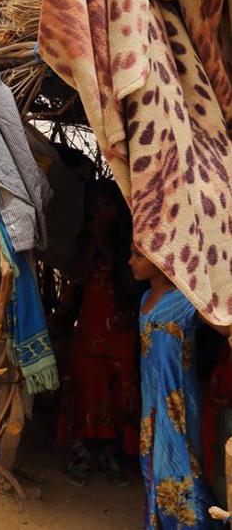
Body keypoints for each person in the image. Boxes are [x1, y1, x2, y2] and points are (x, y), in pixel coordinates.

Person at [129, 245, 230, 529]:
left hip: (178, 400)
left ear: (162, 262)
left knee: (179, 469)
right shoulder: (146, 298)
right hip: (151, 400)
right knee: (151, 466)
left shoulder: (187, 300)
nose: (130, 262)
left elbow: (224, 328)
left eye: (138, 256)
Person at [57, 180, 142, 487]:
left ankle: (113, 455)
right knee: (87, 386)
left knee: (117, 388)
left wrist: (105, 243)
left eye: (106, 206)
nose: (100, 212)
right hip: (90, 328)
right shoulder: (84, 240)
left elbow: (130, 283)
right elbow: (78, 278)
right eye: (95, 207)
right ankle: (83, 453)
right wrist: (92, 242)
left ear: (119, 210)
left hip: (119, 330)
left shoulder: (129, 243)